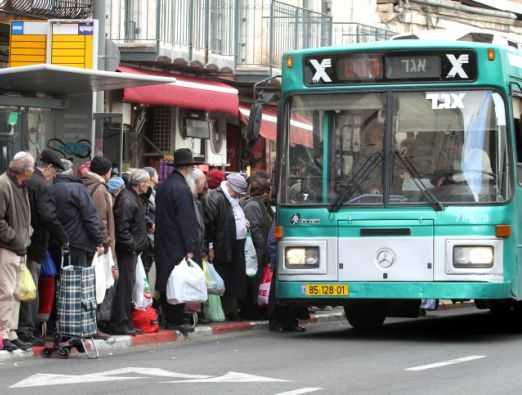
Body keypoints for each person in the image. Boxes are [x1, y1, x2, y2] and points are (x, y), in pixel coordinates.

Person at [19, 150, 68, 345]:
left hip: (21, 242)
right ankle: (28, 329)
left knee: (19, 287)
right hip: (36, 244)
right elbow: (48, 216)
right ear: (48, 168)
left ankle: (21, 327)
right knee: (31, 287)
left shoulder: (25, 181)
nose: (54, 176)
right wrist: (63, 237)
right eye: (54, 172)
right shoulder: (42, 186)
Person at [155, 149, 201, 333]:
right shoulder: (182, 189)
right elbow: (186, 221)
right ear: (188, 168)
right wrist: (190, 247)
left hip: (164, 240)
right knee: (178, 280)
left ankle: (169, 316)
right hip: (178, 243)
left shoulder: (165, 185)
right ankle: (175, 318)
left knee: (167, 279)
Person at [0, 152, 34, 352]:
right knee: (6, 292)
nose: (33, 170)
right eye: (31, 167)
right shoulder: (4, 184)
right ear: (24, 170)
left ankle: (11, 332)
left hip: (19, 247)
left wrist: (26, 235)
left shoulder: (20, 185)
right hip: (7, 248)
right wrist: (16, 238)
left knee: (16, 292)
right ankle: (3, 334)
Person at [108, 169, 149, 335]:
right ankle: (120, 321)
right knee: (125, 286)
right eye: (146, 182)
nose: (148, 185)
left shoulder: (133, 197)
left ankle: (125, 319)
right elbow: (122, 227)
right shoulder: (128, 199)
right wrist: (131, 245)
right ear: (139, 183)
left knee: (129, 285)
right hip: (127, 251)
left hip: (132, 249)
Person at [80, 156, 116, 339]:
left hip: (85, 243)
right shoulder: (100, 189)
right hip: (98, 246)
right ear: (106, 171)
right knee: (97, 286)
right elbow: (101, 219)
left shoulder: (83, 184)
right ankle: (92, 326)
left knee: (88, 286)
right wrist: (105, 241)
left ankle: (87, 325)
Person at [204, 173, 249, 320]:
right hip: (223, 244)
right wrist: (210, 246)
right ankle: (226, 309)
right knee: (224, 276)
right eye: (237, 191)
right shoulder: (216, 198)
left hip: (236, 243)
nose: (238, 195)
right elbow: (210, 225)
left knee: (235, 278)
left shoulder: (233, 200)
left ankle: (232, 309)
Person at [51, 166, 104, 269]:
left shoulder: (51, 188)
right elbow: (90, 217)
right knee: (77, 280)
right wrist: (99, 241)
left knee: (60, 278)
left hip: (56, 242)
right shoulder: (78, 188)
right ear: (71, 173)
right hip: (78, 244)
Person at [241, 175, 273, 319]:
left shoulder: (262, 205)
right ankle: (252, 310)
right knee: (253, 282)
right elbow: (255, 230)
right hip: (255, 251)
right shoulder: (253, 206)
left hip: (261, 251)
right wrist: (262, 249)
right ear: (264, 192)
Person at [142, 167, 159, 273]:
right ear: (151, 177)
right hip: (147, 234)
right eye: (156, 174)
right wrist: (150, 223)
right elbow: (143, 212)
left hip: (152, 235)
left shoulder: (153, 192)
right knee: (145, 265)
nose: (158, 176)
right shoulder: (146, 193)